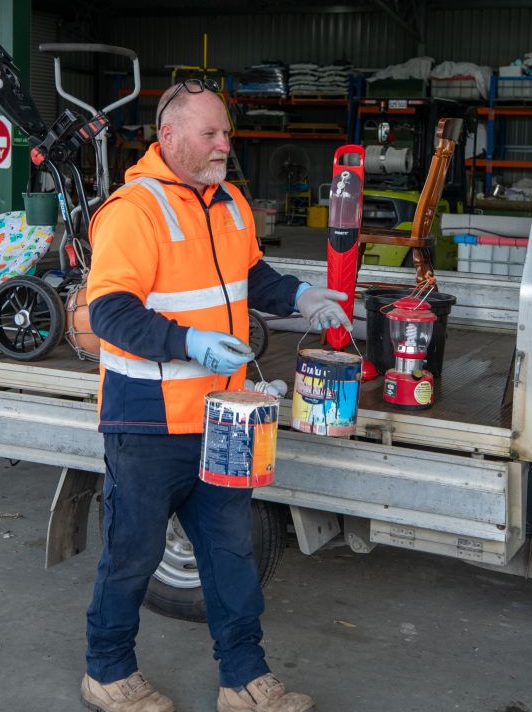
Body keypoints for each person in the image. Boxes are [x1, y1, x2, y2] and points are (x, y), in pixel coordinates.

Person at [81, 78, 352, 712]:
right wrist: (190, 343)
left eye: (225, 133)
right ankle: (107, 670)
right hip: (148, 421)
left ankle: (244, 678)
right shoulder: (134, 209)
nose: (224, 145)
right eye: (210, 134)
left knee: (230, 553)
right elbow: (110, 313)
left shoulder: (228, 200)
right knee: (133, 555)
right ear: (169, 137)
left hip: (225, 418)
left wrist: (299, 297)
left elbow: (250, 273)